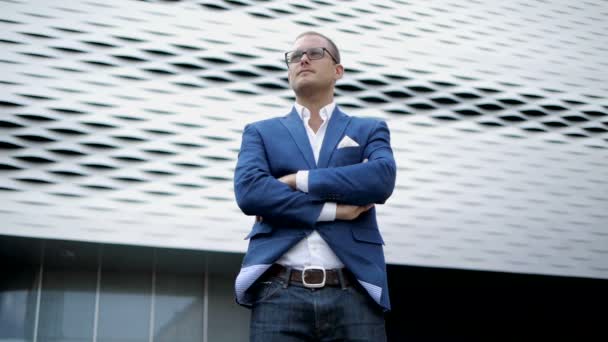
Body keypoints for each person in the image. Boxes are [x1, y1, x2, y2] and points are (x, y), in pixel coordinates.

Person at [233, 31, 396, 341]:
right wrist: (333, 210)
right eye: (295, 56)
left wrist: (297, 180)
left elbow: (381, 179)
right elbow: (250, 192)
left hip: (355, 291)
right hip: (278, 292)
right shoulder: (260, 132)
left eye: (315, 52)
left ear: (338, 70)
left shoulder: (369, 128)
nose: (303, 59)